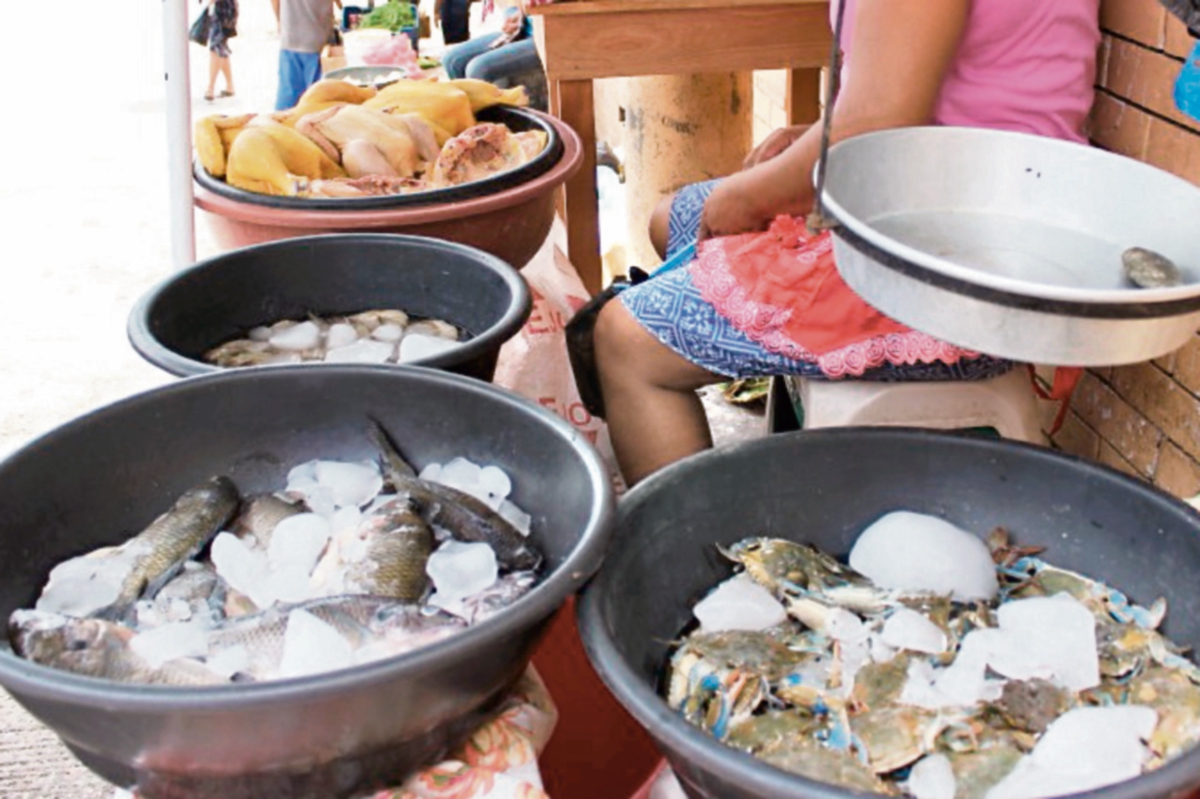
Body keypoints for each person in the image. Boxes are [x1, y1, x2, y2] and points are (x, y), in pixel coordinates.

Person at [589, 0, 1101, 486]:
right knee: (673, 220)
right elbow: (946, 87)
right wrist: (813, 137)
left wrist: (745, 198)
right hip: (945, 196)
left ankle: (693, 567)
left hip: (956, 263)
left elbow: (874, 123)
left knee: (626, 340)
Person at [441, 0, 548, 108]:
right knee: (452, 60)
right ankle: (468, 116)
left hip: (546, 34)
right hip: (524, 27)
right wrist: (515, 14)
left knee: (478, 68)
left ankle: (488, 120)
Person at [272, 0, 341, 110]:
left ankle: (281, 124)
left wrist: (280, 20)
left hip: (290, 35)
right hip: (316, 37)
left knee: (287, 98)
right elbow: (340, 5)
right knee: (315, 98)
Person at [203, 0, 238, 102]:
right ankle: (229, 85)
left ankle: (210, 87)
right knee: (221, 46)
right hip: (226, 9)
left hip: (223, 11)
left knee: (216, 47)